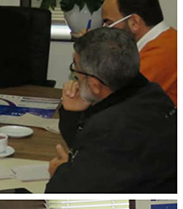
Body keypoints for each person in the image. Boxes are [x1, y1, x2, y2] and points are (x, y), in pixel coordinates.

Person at [47, 27, 176, 193]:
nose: (75, 77)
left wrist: (60, 173)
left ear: (94, 85)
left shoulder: (109, 127)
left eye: (76, 69)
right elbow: (88, 152)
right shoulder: (154, 95)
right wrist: (74, 113)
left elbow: (66, 193)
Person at [101, 0, 176, 106]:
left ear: (134, 23)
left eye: (109, 23)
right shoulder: (167, 40)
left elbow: (113, 98)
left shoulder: (162, 52)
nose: (106, 31)